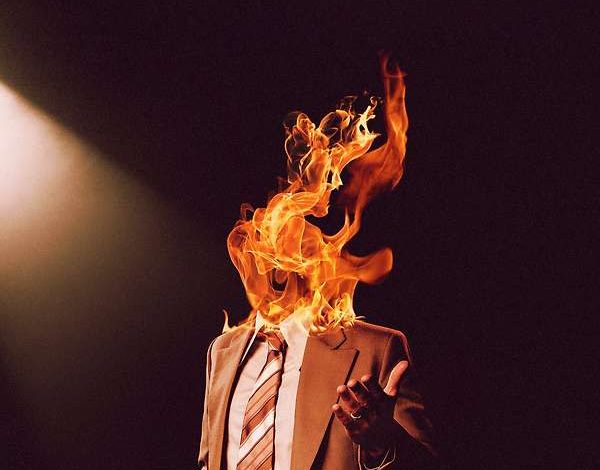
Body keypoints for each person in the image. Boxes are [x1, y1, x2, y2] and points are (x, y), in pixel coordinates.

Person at [197, 311, 438, 469]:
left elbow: (428, 465)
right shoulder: (222, 350)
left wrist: (383, 445)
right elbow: (209, 461)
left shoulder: (378, 346)